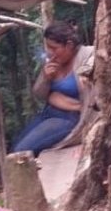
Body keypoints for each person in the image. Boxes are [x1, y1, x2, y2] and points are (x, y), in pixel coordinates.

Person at [11, 21, 95, 156]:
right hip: (48, 113)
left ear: (69, 45)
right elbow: (38, 94)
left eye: (54, 48)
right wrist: (45, 77)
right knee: (15, 146)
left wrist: (76, 106)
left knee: (21, 152)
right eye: (47, 47)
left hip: (69, 119)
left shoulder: (88, 55)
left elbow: (96, 93)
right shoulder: (52, 62)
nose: (49, 53)